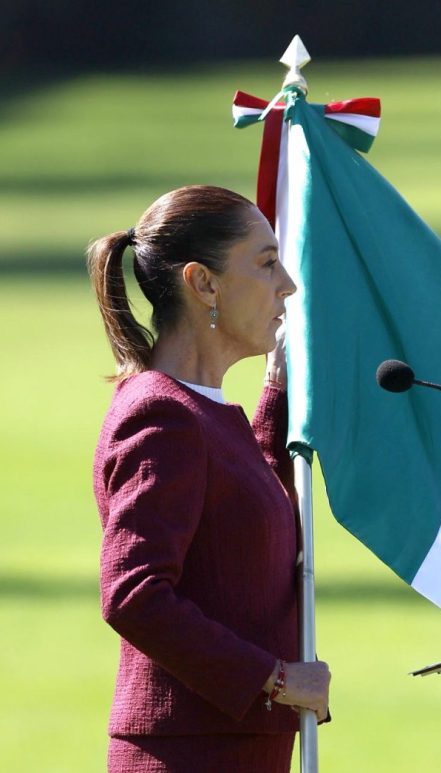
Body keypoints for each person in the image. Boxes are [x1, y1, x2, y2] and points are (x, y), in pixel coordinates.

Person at [87, 185, 330, 772]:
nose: (288, 285)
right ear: (203, 283)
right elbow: (133, 594)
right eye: (267, 263)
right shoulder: (161, 414)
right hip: (192, 755)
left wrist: (279, 393)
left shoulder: (200, 410)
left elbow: (248, 521)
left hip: (237, 750)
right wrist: (272, 679)